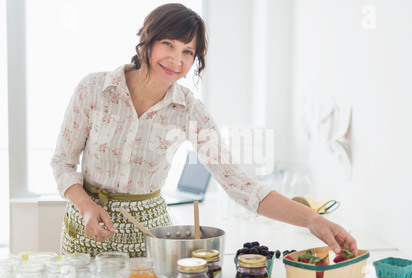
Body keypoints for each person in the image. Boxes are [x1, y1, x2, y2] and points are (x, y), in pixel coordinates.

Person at [51, 3, 357, 258]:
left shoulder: (189, 111)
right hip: (85, 231)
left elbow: (240, 184)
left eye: (188, 52)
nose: (176, 59)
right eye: (168, 44)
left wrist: (313, 220)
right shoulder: (94, 89)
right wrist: (87, 207)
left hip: (149, 239)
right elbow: (62, 163)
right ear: (147, 39)